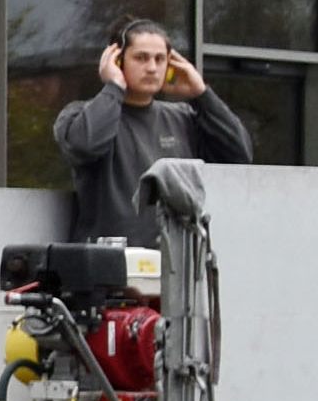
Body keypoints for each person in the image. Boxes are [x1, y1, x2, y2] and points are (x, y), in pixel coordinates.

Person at [53, 19, 251, 245]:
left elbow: (239, 155)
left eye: (160, 59)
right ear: (116, 61)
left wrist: (202, 94)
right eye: (141, 58)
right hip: (108, 267)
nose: (152, 67)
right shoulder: (79, 116)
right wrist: (114, 87)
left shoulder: (183, 118)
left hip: (174, 268)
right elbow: (85, 146)